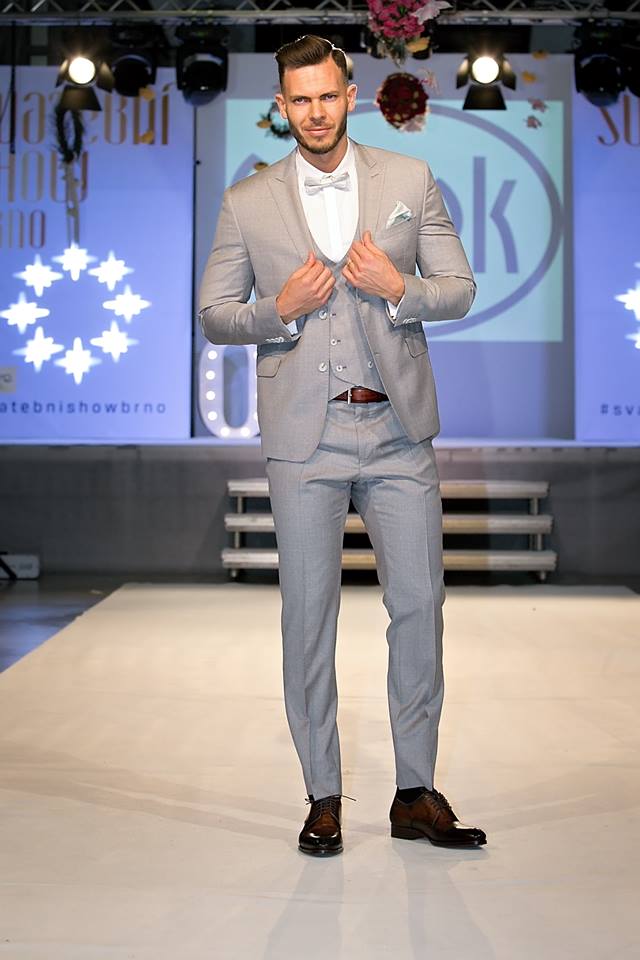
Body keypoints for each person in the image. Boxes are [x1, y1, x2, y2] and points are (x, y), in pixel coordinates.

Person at [199, 35, 486, 856]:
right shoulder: (247, 200)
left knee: (419, 608)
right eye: (301, 99)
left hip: (397, 431)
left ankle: (415, 791)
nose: (316, 112)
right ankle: (322, 795)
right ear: (281, 105)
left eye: (328, 96)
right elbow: (215, 315)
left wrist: (400, 289)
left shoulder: (408, 179)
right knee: (308, 617)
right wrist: (279, 309)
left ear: (350, 96)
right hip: (305, 439)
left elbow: (460, 289)